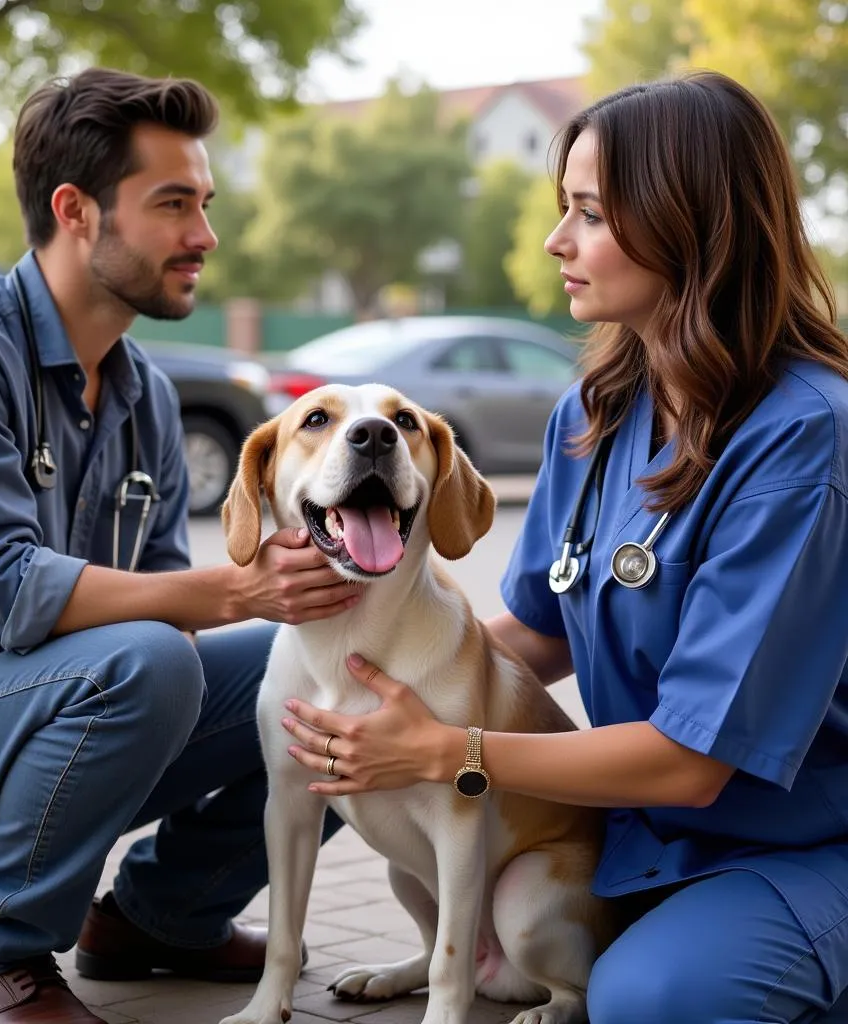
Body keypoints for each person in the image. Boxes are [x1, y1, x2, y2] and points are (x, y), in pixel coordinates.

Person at [281, 70, 848, 1023]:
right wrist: (356, 669)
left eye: (588, 212)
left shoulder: (807, 438)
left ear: (688, 222)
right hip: (639, 830)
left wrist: (445, 748)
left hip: (799, 845)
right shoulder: (596, 411)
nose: (556, 241)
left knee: (656, 1000)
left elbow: (689, 760)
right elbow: (533, 634)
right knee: (264, 677)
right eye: (565, 209)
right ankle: (162, 914)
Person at [0, 68, 356, 1024]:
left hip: (51, 710)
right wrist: (237, 588)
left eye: (205, 203)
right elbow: (3, 592)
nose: (205, 235)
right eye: (173, 204)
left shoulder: (143, 391)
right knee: (144, 658)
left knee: (335, 679)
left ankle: (161, 915)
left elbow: (158, 605)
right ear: (76, 210)